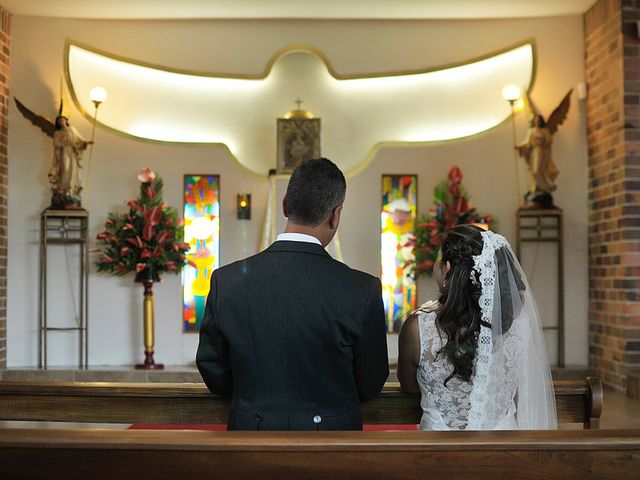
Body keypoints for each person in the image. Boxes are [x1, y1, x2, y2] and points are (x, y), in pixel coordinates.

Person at [197, 158, 389, 430]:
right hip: (333, 448)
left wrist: (256, 400)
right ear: (335, 215)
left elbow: (213, 371)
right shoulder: (361, 289)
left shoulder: (226, 282)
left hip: (250, 445)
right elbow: (370, 382)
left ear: (285, 204)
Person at [397, 224, 556, 430]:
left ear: (447, 269)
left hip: (437, 453)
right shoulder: (516, 324)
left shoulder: (417, 329)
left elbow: (409, 386)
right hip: (505, 450)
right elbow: (524, 387)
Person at [515, 114, 559, 208]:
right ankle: (538, 189)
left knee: (538, 170)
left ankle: (545, 188)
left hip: (542, 151)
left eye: (539, 120)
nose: (537, 122)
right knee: (533, 171)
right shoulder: (532, 131)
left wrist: (542, 141)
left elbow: (549, 140)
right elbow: (527, 142)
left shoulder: (545, 131)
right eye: (536, 120)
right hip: (534, 152)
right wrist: (519, 147)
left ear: (541, 121)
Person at [49, 115, 91, 208]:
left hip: (72, 152)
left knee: (74, 172)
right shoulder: (57, 133)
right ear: (58, 123)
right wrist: (64, 142)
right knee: (65, 170)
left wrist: (85, 142)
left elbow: (79, 139)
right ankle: (63, 190)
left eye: (63, 120)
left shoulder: (72, 129)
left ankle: (72, 192)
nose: (62, 122)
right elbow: (56, 144)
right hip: (64, 152)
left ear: (66, 120)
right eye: (59, 121)